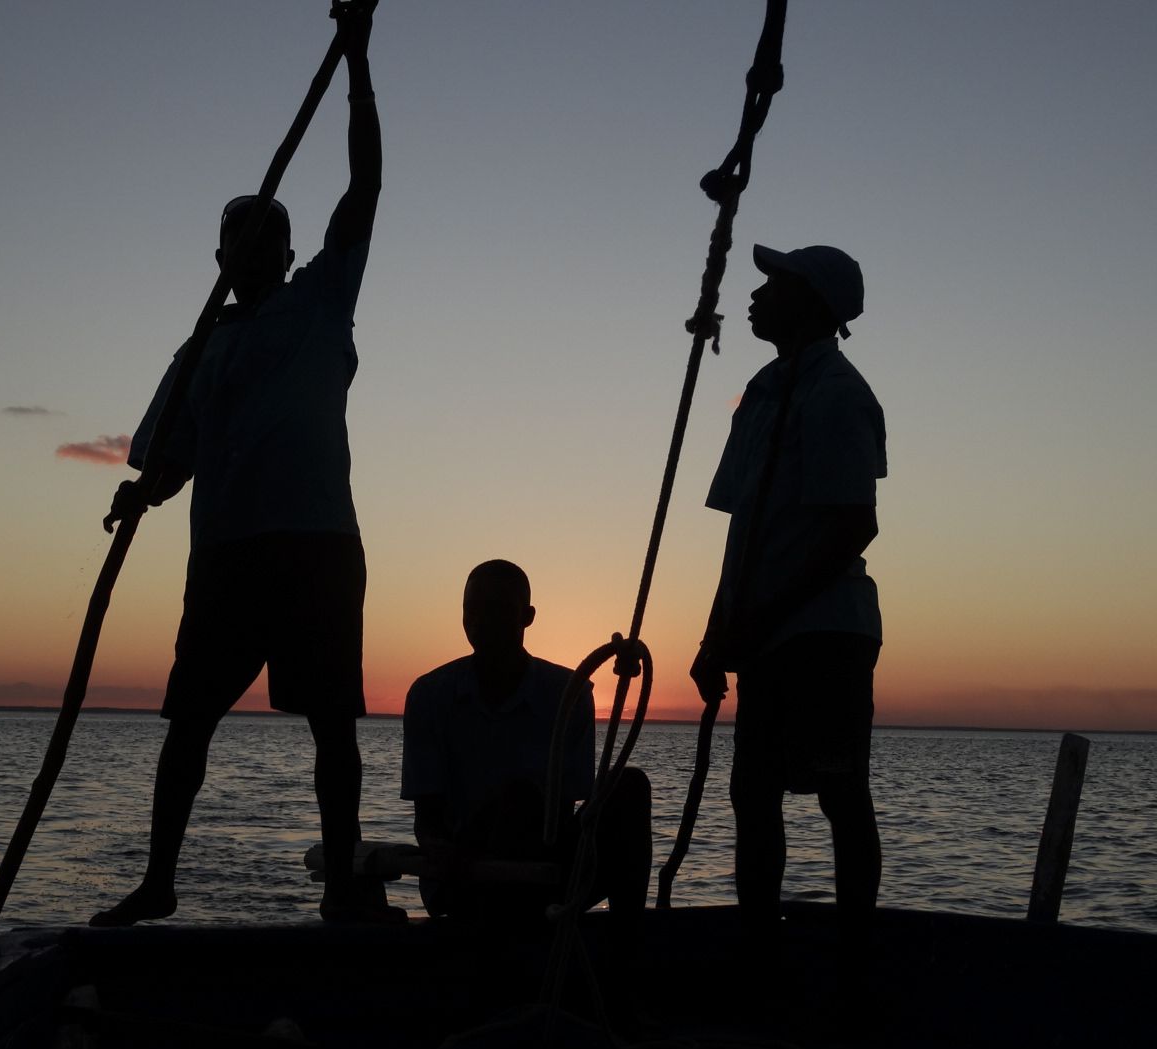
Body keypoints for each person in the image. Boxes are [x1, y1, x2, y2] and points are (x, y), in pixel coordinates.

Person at [92, 3, 395, 926]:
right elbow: (175, 455)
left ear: (290, 252)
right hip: (224, 552)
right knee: (189, 723)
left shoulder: (320, 301)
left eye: (270, 239)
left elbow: (367, 183)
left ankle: (343, 883)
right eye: (240, 242)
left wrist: (358, 64)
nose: (255, 252)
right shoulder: (202, 348)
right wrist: (144, 489)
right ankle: (159, 882)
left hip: (313, 545)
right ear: (220, 257)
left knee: (331, 724)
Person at [689, 244, 886, 960]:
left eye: (775, 283)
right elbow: (746, 533)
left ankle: (855, 968)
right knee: (754, 795)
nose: (756, 293)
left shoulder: (837, 394)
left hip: (825, 633)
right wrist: (719, 638)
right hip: (770, 632)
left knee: (838, 794)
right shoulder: (765, 391)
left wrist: (758, 622)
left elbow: (851, 524)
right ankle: (757, 959)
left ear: (811, 302)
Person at [401, 560, 652, 925]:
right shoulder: (430, 695)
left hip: (543, 869)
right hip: (463, 878)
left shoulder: (571, 693)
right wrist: (446, 854)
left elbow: (563, 812)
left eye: (498, 608)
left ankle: (627, 946)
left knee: (629, 785)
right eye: (473, 609)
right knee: (521, 799)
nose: (482, 620)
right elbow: (428, 821)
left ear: (527, 616)